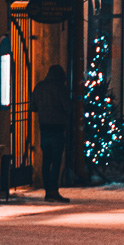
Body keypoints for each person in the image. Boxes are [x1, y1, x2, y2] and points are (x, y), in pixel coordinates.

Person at [30, 64, 72, 202]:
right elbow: (67, 106)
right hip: (58, 127)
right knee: (56, 160)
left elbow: (33, 106)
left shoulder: (39, 87)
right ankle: (53, 190)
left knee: (46, 160)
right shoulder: (60, 88)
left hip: (44, 127)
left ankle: (48, 189)